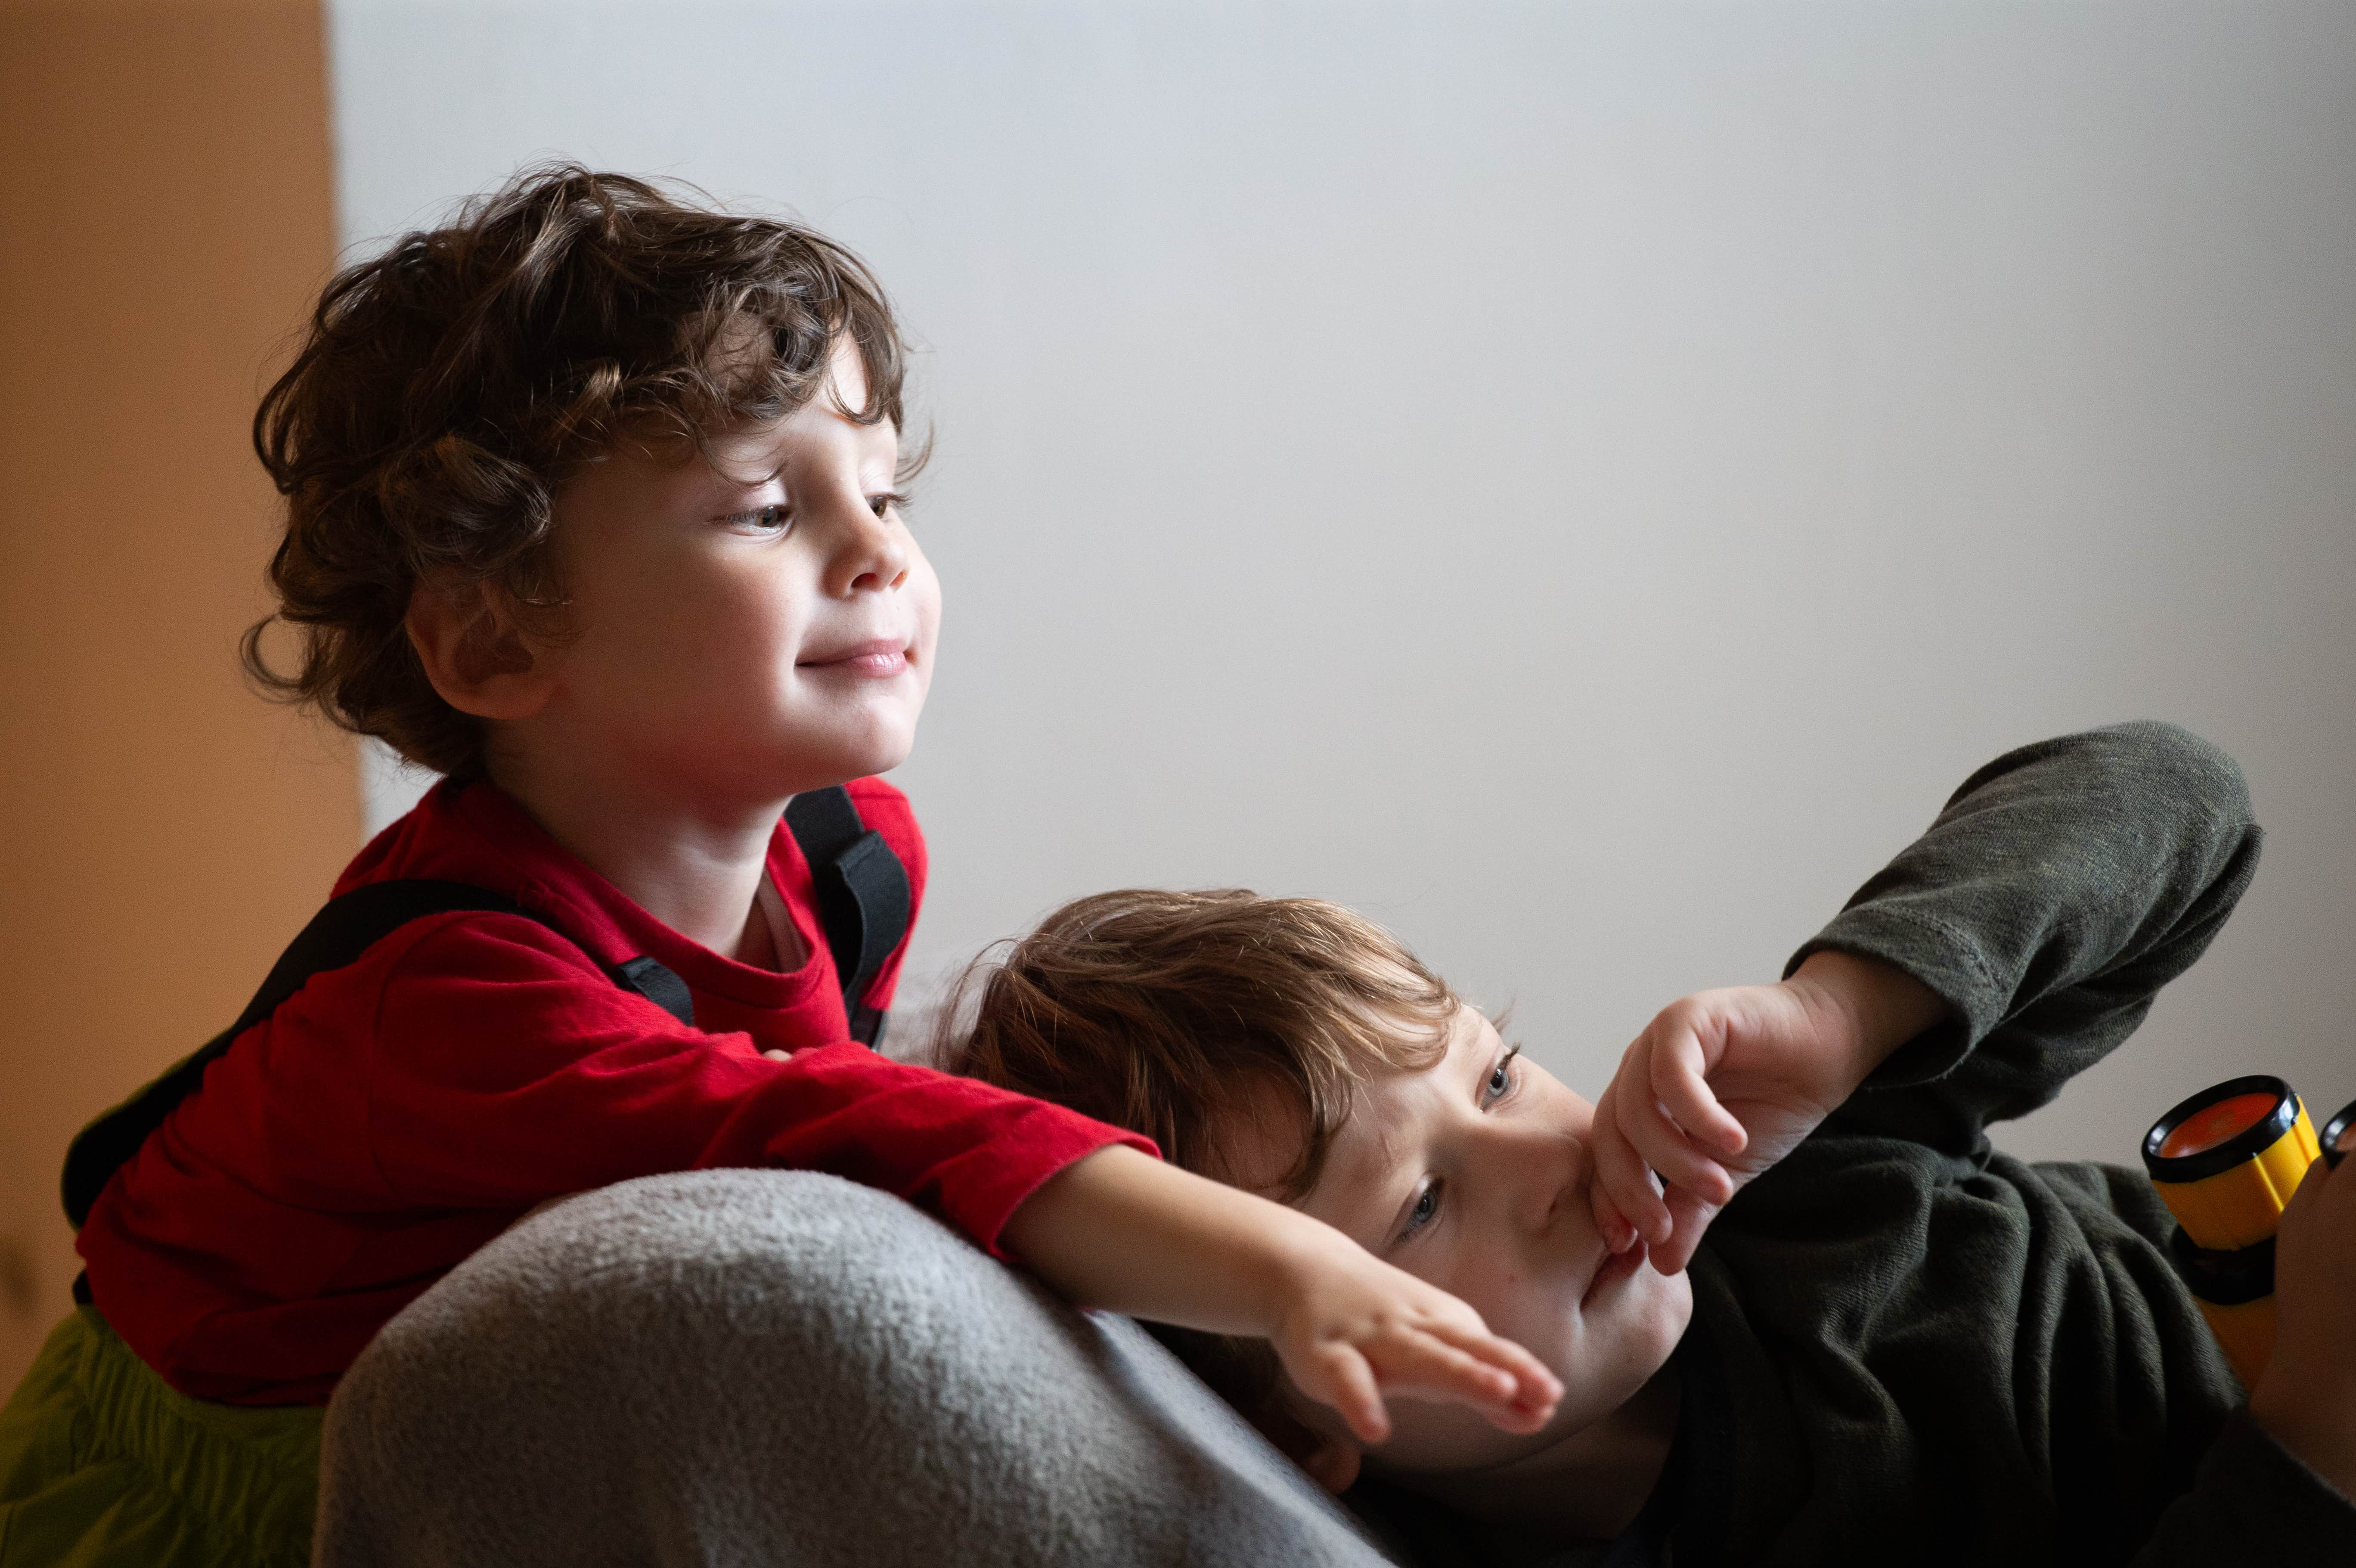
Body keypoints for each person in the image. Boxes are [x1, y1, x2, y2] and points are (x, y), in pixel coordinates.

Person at [0, 165, 1559, 1568]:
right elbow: (841, 1130)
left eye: (882, 491)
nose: (878, 550)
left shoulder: (853, 853)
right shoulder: (457, 1001)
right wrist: (1289, 1272)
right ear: (492, 637)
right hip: (211, 1469)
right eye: (765, 507)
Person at [951, 722, 2356, 1564]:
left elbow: (2188, 805)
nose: (1550, 1170)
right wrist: (2313, 1439)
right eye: (1423, 1206)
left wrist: (1846, 1010)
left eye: (1496, 1078)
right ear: (1294, 1428)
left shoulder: (1780, 1177)